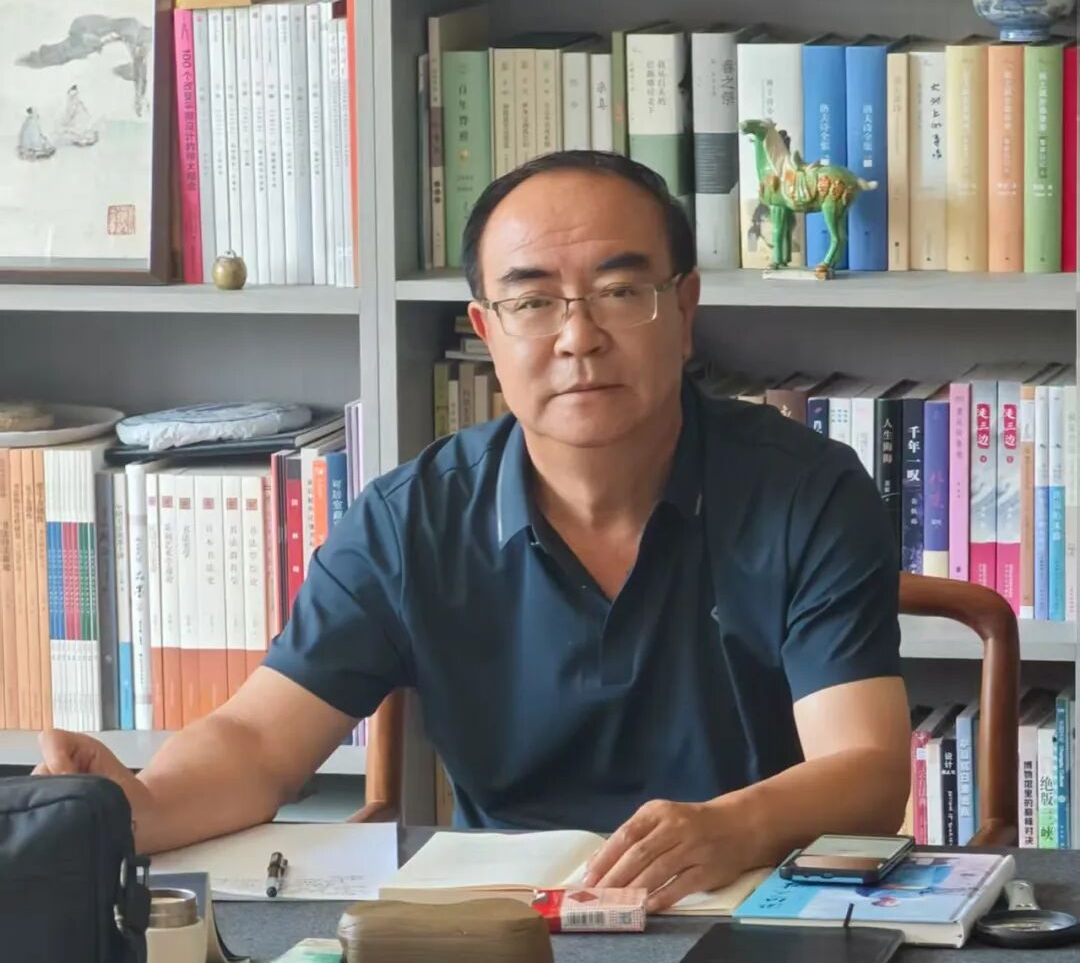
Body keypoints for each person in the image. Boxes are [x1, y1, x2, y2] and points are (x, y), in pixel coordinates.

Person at [36, 150, 910, 911]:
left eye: (619, 292)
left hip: (755, 902)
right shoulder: (410, 520)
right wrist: (143, 803)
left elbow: (867, 769)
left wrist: (734, 826)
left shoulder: (808, 494)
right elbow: (259, 740)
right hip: (505, 924)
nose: (578, 336)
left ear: (684, 310)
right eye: (533, 302)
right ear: (488, 330)